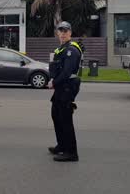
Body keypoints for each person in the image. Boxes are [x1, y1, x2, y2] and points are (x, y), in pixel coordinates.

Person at [48, 21, 82, 162]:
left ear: (70, 33)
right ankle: (62, 145)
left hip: (67, 87)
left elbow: (67, 71)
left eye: (65, 31)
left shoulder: (71, 50)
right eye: (60, 31)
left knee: (65, 119)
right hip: (62, 87)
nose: (62, 33)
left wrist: (53, 82)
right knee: (56, 115)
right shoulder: (62, 48)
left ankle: (71, 152)